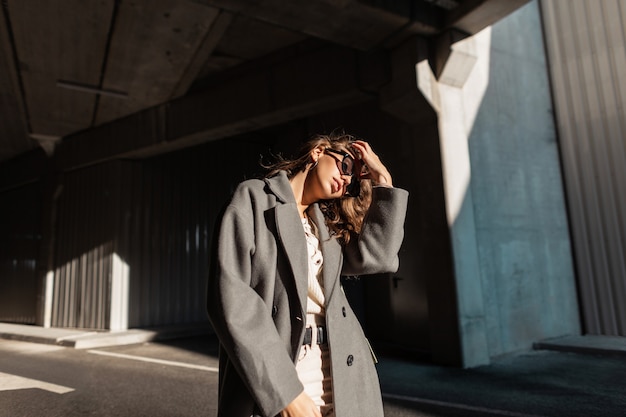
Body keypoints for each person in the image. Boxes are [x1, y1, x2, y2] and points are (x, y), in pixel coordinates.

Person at [207, 132, 408, 417]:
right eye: (346, 167)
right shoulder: (254, 198)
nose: (346, 180)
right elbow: (230, 298)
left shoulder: (325, 226)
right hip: (285, 372)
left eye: (352, 183)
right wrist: (286, 392)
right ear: (318, 152)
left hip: (340, 372)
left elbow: (378, 258)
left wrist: (383, 182)